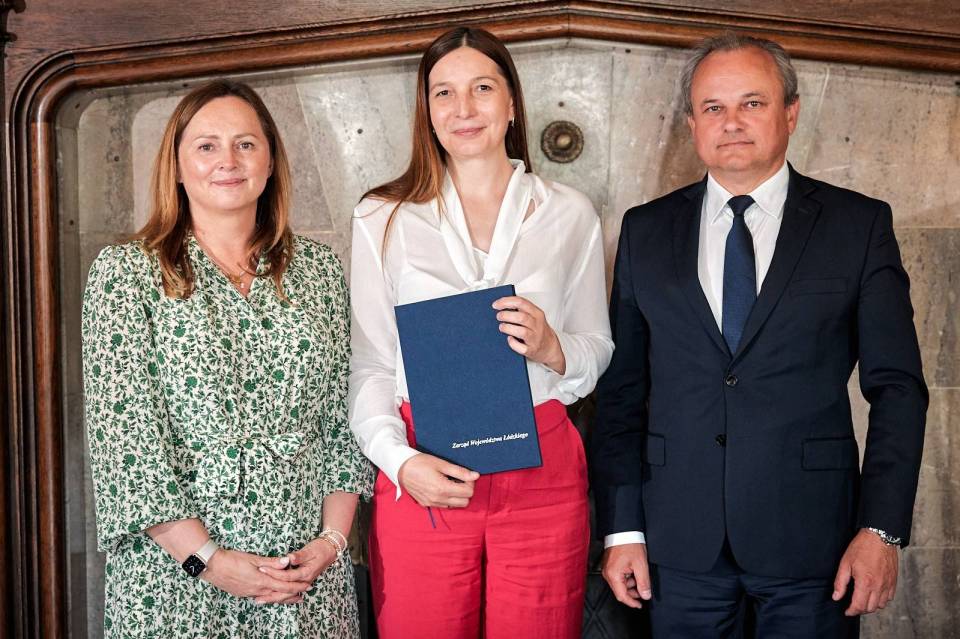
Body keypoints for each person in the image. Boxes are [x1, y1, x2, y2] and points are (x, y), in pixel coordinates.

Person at [591, 32, 927, 638]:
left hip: (815, 542)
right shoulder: (645, 231)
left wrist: (881, 529)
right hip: (677, 543)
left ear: (790, 112)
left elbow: (898, 389)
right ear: (692, 124)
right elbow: (621, 395)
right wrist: (622, 528)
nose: (732, 122)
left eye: (753, 102)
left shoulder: (858, 226)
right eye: (713, 107)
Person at [82, 79, 373, 638]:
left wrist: (332, 543)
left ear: (270, 161)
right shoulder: (126, 274)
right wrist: (207, 561)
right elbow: (127, 444)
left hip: (304, 570)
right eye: (206, 145)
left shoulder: (318, 269)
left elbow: (342, 417)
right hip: (176, 575)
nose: (228, 161)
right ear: (176, 165)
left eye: (246, 144)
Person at [348, 26, 613, 639]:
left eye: (482, 88)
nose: (463, 108)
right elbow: (372, 364)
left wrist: (554, 348)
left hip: (543, 473)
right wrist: (398, 462)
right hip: (424, 466)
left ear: (512, 102)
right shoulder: (381, 217)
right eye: (444, 93)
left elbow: (597, 348)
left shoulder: (569, 212)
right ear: (426, 110)